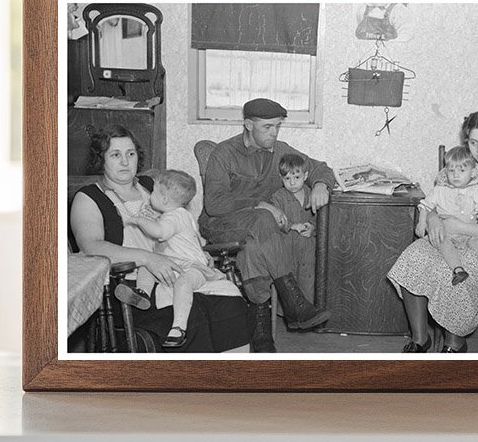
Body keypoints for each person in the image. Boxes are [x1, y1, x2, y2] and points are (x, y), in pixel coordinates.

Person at [69, 125, 248, 353]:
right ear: (100, 159)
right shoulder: (89, 197)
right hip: (130, 286)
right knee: (193, 311)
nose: (125, 161)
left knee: (229, 302)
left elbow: (179, 224)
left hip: (174, 270)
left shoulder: (151, 187)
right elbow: (91, 247)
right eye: (115, 155)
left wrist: (196, 251)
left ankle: (232, 375)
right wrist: (149, 259)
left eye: (130, 154)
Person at [387, 110, 478, 354]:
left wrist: (461, 226)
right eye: (473, 142)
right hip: (451, 236)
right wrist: (431, 219)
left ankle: (455, 344)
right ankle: (420, 339)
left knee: (452, 272)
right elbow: (435, 201)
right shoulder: (459, 162)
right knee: (413, 257)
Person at [200, 97, 335, 352]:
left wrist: (320, 184)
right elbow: (214, 204)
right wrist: (262, 204)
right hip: (220, 225)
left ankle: (261, 332)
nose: (274, 133)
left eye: (277, 127)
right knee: (263, 218)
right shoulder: (224, 153)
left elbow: (319, 168)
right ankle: (293, 301)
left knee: (253, 247)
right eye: (267, 127)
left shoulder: (280, 150)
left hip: (257, 233)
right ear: (249, 124)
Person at [123, 169, 232, 349]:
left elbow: (160, 232)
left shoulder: (175, 216)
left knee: (183, 284)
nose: (150, 195)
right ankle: (142, 294)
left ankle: (178, 328)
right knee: (146, 267)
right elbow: (193, 238)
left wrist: (137, 220)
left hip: (193, 269)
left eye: (154, 192)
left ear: (165, 199)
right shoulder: (180, 215)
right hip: (176, 265)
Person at [420, 145, 478, 286]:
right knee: (442, 242)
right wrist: (421, 222)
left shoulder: (477, 191)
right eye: (451, 170)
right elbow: (425, 206)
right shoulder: (440, 190)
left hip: (470, 233)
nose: (455, 175)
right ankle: (458, 269)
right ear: (445, 171)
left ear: (472, 172)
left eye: (461, 170)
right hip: (448, 234)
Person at [269, 153, 315, 238]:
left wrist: (312, 226)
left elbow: (319, 216)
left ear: (305, 176)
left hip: (309, 245)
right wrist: (293, 226)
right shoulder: (278, 197)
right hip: (287, 243)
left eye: (297, 177)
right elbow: (275, 220)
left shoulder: (311, 193)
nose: (292, 183)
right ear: (281, 178)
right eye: (287, 178)